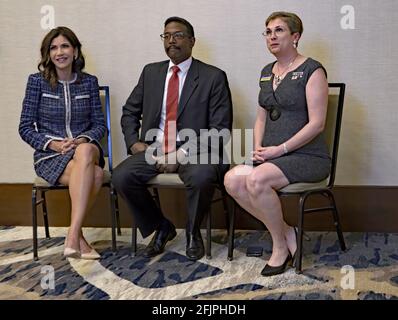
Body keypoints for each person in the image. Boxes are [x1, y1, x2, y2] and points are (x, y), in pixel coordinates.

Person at [112, 16, 232, 261]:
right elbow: (129, 112)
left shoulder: (213, 77)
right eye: (166, 36)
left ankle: (192, 230)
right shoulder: (151, 73)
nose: (171, 41)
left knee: (201, 176)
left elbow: (221, 128)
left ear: (192, 41)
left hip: (198, 150)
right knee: (121, 176)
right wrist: (134, 142)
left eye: (177, 35)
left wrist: (180, 155)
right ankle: (161, 226)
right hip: (155, 147)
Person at [224, 12, 330, 276]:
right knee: (233, 180)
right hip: (271, 157)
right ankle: (286, 231)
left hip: (307, 156)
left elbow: (317, 124)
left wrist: (280, 149)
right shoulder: (265, 72)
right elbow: (261, 116)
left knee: (257, 181)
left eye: (279, 30)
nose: (272, 36)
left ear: (295, 37)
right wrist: (258, 149)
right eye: (268, 31)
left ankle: (279, 247)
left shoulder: (312, 70)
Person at [19, 26, 106, 260]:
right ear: (48, 54)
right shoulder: (36, 82)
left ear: (75, 51)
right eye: (54, 47)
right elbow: (25, 128)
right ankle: (78, 237)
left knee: (87, 149)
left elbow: (100, 125)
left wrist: (80, 140)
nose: (60, 52)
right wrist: (53, 144)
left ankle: (70, 236)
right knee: (96, 176)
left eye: (65, 46)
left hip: (84, 152)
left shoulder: (88, 82)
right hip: (51, 156)